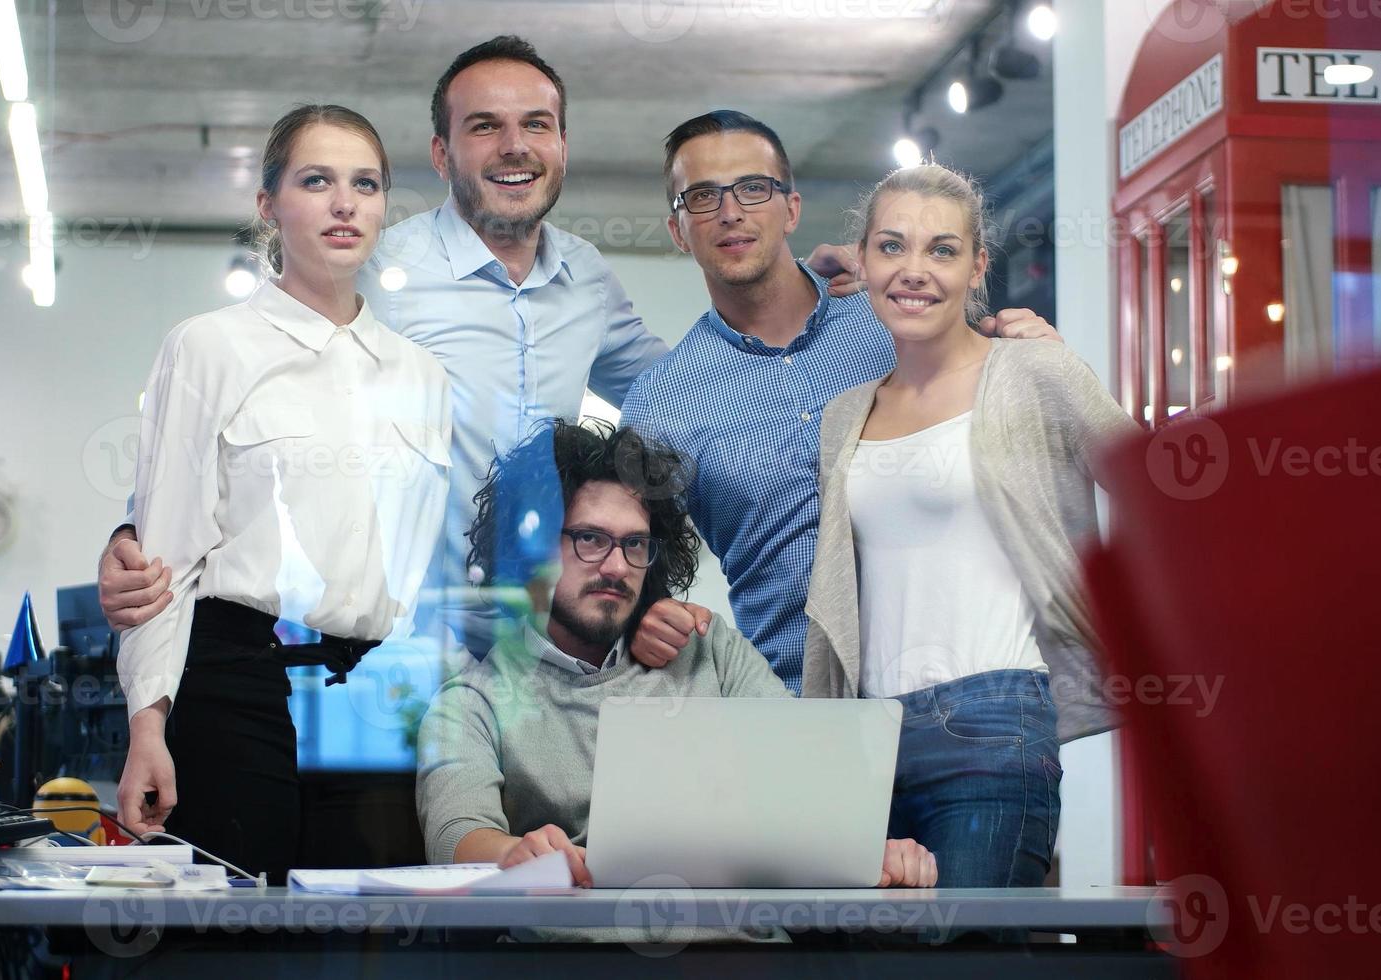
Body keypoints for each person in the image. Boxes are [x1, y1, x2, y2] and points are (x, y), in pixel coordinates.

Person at [98, 36, 669, 646]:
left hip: (545, 638)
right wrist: (133, 532)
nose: (515, 146)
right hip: (407, 644)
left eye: (537, 124)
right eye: (484, 126)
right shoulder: (379, 269)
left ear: (561, 145)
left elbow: (680, 396)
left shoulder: (588, 278)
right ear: (442, 154)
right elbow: (239, 385)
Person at [416, 420, 934, 941]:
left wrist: (870, 853)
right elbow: (454, 837)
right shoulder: (471, 701)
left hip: (744, 958)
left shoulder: (711, 652)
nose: (617, 566)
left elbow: (808, 790)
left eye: (635, 544)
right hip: (578, 959)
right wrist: (513, 852)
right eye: (590, 539)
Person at [113, 104, 453, 884]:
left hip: (378, 696)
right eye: (316, 181)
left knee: (370, 938)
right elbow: (167, 556)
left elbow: (418, 564)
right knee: (234, 937)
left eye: (364, 184)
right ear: (268, 205)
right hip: (234, 681)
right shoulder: (209, 347)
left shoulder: (420, 375)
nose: (344, 203)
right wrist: (147, 728)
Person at [619, 110, 1060, 692]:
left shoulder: (893, 318)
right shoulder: (661, 404)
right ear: (678, 230)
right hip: (796, 705)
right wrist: (644, 621)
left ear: (792, 209)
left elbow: (1027, 439)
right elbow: (626, 557)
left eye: (754, 187)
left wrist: (1039, 359)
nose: (731, 211)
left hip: (965, 686)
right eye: (701, 196)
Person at [802, 163, 1137, 891]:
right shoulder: (843, 414)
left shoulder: (1031, 373)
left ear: (978, 265)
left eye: (941, 250)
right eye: (891, 247)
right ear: (861, 261)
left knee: (963, 961)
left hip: (995, 725)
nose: (913, 271)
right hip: (865, 738)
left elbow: (1163, 488)